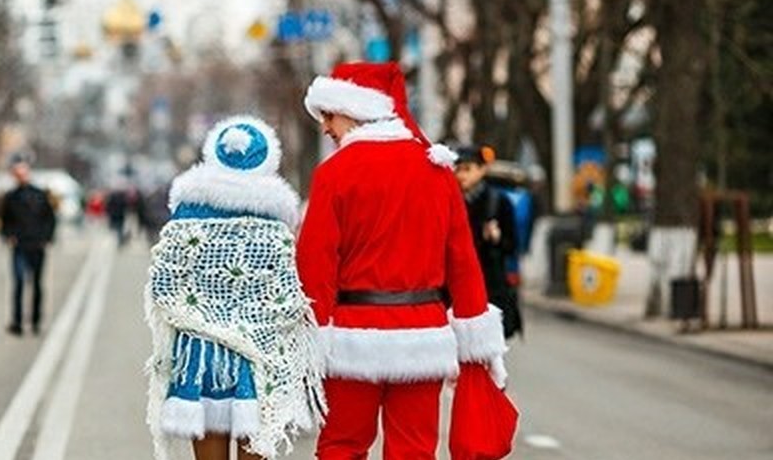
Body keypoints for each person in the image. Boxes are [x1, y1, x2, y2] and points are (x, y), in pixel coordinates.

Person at [297, 62, 508, 460]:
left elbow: (315, 266)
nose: (326, 127)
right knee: (413, 450)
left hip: (350, 340)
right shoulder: (437, 171)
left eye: (329, 115)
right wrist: (474, 333)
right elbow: (462, 260)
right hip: (422, 337)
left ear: (355, 109)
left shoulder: (333, 174)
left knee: (342, 446)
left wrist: (311, 340)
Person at [145, 115, 325, 460]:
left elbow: (163, 288)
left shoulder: (187, 211)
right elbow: (289, 299)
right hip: (260, 359)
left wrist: (202, 318)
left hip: (200, 358)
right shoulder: (275, 219)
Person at [455, 145, 523, 339]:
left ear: (482, 169)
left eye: (467, 169)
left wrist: (497, 238)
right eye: (458, 169)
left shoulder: (498, 202)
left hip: (490, 286)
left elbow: (512, 246)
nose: (461, 175)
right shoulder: (450, 200)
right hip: (457, 288)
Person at [0, 158, 57, 336]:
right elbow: (4, 220)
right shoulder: (10, 197)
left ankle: (35, 320)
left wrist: (46, 238)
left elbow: (50, 218)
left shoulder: (40, 195)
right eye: (17, 173)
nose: (21, 176)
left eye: (23, 172)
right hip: (20, 246)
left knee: (37, 285)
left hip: (37, 245)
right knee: (18, 282)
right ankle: (17, 321)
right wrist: (8, 236)